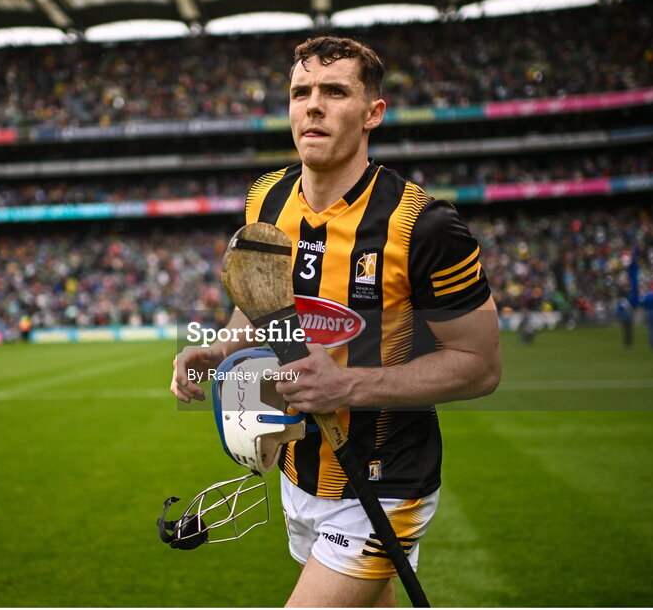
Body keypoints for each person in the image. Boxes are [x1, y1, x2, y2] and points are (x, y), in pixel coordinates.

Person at [170, 36, 501, 607]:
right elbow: (260, 301)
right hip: (299, 470)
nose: (312, 105)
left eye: (334, 91)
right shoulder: (266, 199)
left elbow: (480, 367)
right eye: (301, 92)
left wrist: (348, 385)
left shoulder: (423, 224)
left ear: (374, 112)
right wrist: (221, 347)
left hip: (385, 474)